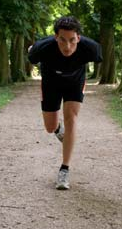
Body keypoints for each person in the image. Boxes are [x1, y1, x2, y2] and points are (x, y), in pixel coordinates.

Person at [28, 16, 102, 190]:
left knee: (71, 118)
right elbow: (31, 54)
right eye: (62, 40)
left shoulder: (91, 48)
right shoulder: (43, 47)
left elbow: (100, 56)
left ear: (78, 37)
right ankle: (59, 131)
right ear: (56, 37)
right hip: (50, 82)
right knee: (49, 127)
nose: (67, 46)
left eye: (72, 40)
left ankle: (64, 169)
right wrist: (32, 49)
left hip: (75, 82)